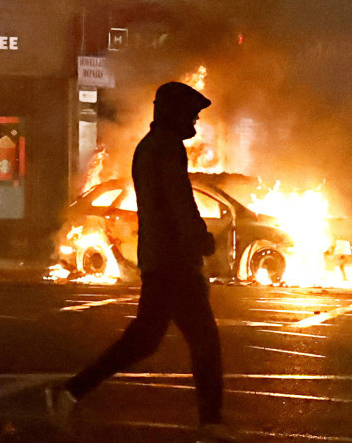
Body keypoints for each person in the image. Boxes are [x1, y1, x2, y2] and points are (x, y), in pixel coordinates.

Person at [46, 81, 235, 443]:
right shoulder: (166, 148)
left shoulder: (152, 147)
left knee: (148, 339)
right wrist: (200, 239)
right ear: (173, 112)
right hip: (174, 262)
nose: (195, 120)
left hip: (162, 259)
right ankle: (211, 423)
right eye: (191, 113)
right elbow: (180, 202)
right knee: (201, 340)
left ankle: (70, 392)